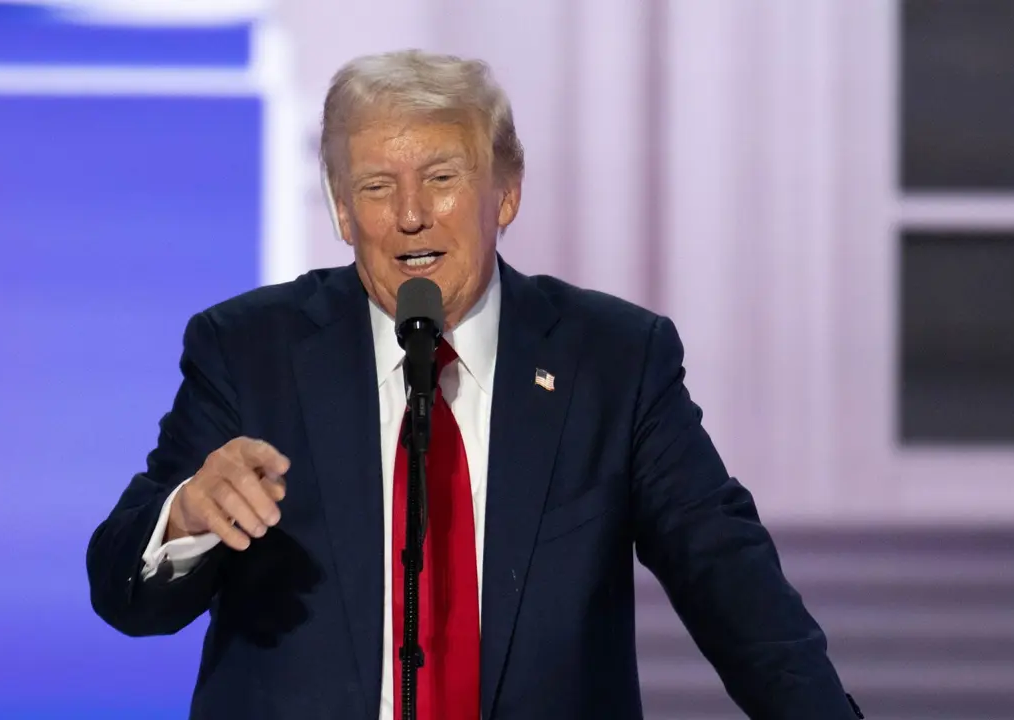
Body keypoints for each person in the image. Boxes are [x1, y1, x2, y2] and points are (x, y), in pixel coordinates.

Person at [85, 49, 863, 720]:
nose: (411, 215)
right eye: (376, 186)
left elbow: (731, 584)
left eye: (441, 177)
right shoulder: (248, 350)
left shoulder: (614, 361)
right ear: (342, 211)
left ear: (507, 191)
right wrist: (185, 515)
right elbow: (124, 593)